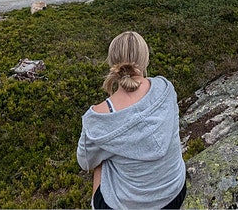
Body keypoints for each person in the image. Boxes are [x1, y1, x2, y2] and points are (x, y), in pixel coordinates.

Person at [77, 31, 187, 209]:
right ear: (145, 59)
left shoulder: (98, 117)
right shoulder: (165, 88)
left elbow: (85, 162)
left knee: (100, 162)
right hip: (176, 192)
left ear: (112, 62)